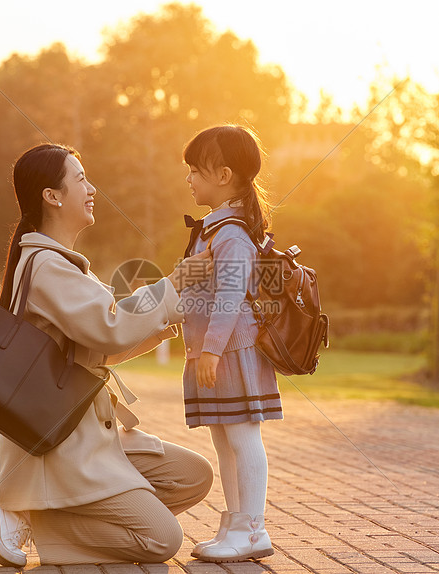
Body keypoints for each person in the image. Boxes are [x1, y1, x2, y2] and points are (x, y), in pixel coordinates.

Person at [0, 143, 215, 567]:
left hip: (90, 434)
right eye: (80, 179)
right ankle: (33, 517)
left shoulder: (66, 264)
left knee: (193, 476)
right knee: (161, 541)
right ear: (52, 196)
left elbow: (101, 345)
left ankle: (65, 508)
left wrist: (179, 313)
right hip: (62, 442)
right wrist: (174, 283)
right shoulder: (44, 266)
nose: (91, 188)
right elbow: (111, 324)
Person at [179, 125, 281, 563]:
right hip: (215, 352)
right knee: (225, 439)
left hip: (231, 353)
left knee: (242, 438)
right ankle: (237, 521)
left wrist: (212, 350)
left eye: (195, 171)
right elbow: (196, 288)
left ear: (223, 175)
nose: (189, 179)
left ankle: (253, 528)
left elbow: (231, 296)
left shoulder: (232, 234)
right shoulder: (214, 231)